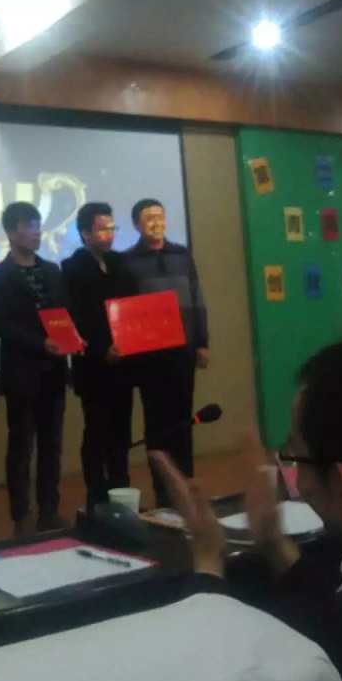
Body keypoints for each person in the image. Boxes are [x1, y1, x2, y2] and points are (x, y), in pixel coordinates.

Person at [152, 337, 342, 681]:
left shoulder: (336, 641)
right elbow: (332, 612)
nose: (297, 480)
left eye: (294, 456)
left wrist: (206, 561)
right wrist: (274, 544)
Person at [0, 201, 69, 535]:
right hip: (21, 371)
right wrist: (40, 343)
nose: (36, 232)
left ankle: (50, 510)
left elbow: (63, 313)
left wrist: (73, 338)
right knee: (21, 446)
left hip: (54, 370)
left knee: (52, 445)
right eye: (29, 226)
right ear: (11, 231)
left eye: (38, 225)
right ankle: (20, 514)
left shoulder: (52, 270)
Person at [125, 198, 209, 506]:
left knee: (184, 421)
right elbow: (126, 309)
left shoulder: (182, 255)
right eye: (149, 218)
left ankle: (185, 487)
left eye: (160, 216)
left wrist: (202, 342)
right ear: (136, 224)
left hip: (183, 351)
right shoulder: (127, 261)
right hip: (149, 356)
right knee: (156, 425)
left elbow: (197, 298)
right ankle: (163, 491)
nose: (156, 223)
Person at [62, 202, 137, 513]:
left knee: (122, 430)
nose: (109, 234)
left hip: (124, 361)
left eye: (112, 227)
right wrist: (101, 348)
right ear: (85, 233)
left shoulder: (121, 262)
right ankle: (96, 496)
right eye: (102, 229)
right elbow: (76, 317)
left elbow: (132, 306)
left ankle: (121, 491)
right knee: (96, 431)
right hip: (93, 363)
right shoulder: (72, 267)